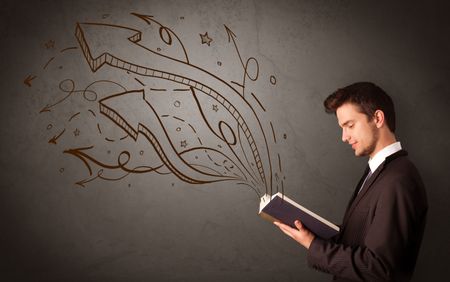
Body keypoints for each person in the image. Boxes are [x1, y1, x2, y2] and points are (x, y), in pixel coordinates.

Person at [274, 82, 428, 281]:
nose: (344, 137)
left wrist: (314, 246)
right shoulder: (378, 171)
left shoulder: (399, 180)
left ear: (378, 118)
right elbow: (361, 238)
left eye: (350, 125)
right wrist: (314, 233)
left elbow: (379, 269)